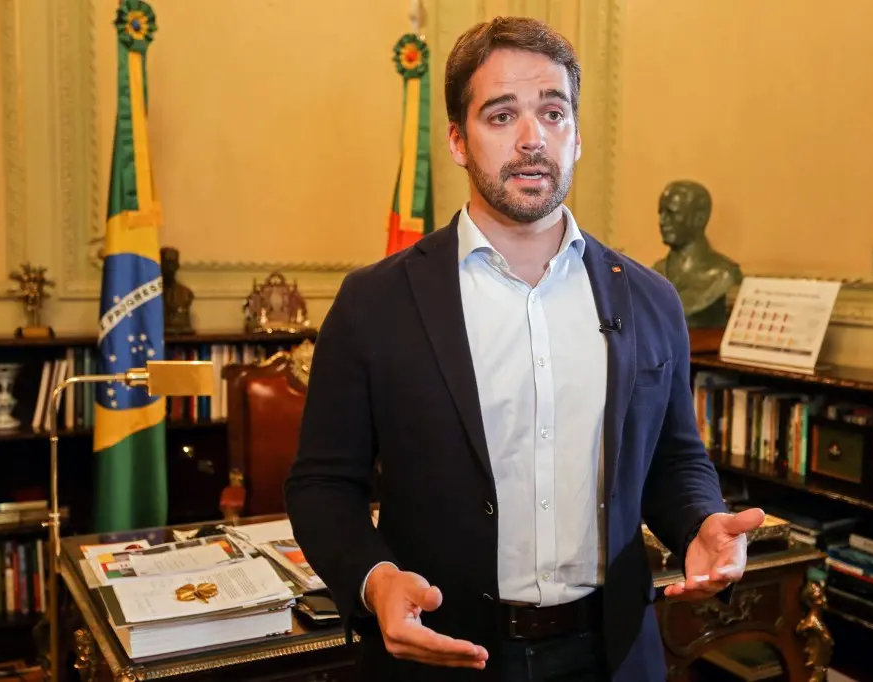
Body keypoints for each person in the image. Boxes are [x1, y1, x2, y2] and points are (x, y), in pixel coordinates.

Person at [284, 16, 765, 682]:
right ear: (458, 140)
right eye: (502, 115)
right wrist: (375, 579)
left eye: (553, 112)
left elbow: (674, 458)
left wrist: (700, 523)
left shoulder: (651, 299)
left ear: (577, 135)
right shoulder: (374, 302)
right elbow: (321, 485)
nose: (533, 137)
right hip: (442, 655)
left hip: (615, 654)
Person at [650, 180, 743, 329]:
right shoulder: (655, 272)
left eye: (672, 213)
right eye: (661, 213)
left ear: (700, 218)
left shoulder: (723, 275)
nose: (662, 221)